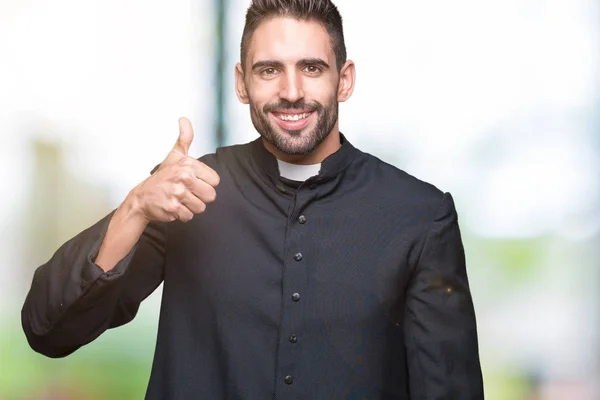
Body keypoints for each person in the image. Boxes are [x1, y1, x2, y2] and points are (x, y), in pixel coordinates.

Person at [22, 0, 484, 398]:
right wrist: (137, 206)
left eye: (312, 67)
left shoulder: (420, 215)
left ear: (344, 80)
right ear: (242, 83)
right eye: (269, 70)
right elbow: (49, 330)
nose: (291, 91)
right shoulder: (185, 190)